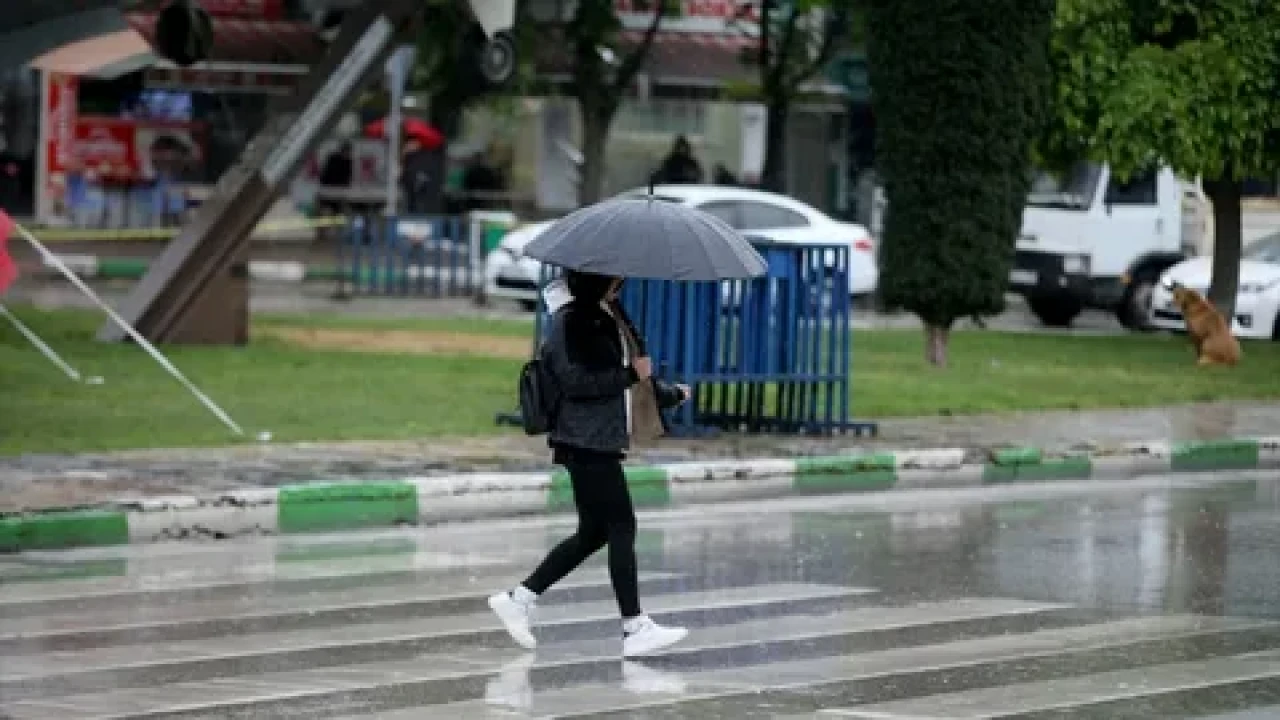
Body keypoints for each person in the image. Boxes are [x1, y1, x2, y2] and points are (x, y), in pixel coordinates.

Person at [489, 270, 693, 658]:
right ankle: (634, 627)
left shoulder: (601, 313)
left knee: (594, 532)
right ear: (594, 279)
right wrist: (633, 373)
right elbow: (579, 383)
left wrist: (667, 393)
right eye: (614, 279)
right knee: (621, 526)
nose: (620, 284)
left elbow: (622, 385)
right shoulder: (570, 321)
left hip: (596, 439)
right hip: (584, 441)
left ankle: (519, 599)